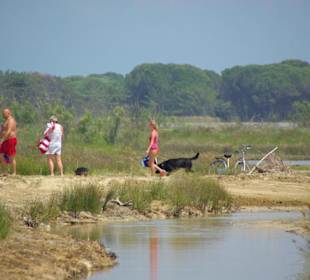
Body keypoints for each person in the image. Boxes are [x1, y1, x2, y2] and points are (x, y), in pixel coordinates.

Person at [0, 108, 17, 175]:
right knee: (2, 155)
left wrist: (2, 139)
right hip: (5, 140)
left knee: (11, 156)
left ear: (9, 113)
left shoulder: (11, 120)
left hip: (10, 140)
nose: (3, 115)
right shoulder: (6, 121)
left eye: (4, 113)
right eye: (2, 113)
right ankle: (5, 171)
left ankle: (14, 172)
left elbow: (9, 131)